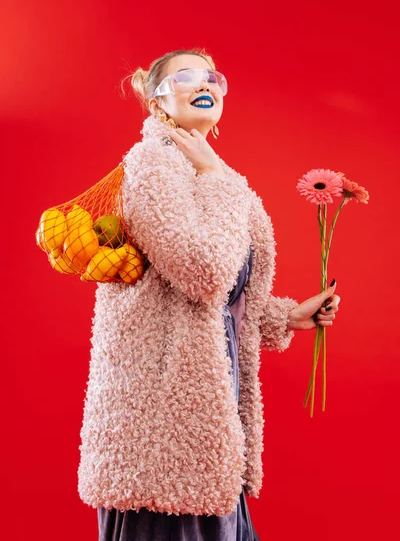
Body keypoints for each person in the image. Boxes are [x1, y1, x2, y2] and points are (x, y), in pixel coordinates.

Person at [77, 48, 341, 541]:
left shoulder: (211, 173)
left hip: (206, 427)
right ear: (158, 102)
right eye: (185, 77)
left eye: (211, 76)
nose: (205, 83)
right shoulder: (153, 164)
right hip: (161, 433)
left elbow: (224, 300)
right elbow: (202, 272)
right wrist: (216, 178)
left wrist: (287, 318)